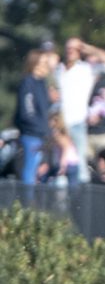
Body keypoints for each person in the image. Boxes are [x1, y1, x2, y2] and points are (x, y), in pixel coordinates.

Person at [54, 37, 105, 183]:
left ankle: (78, 200)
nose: (70, 51)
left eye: (74, 49)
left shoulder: (86, 69)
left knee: (80, 165)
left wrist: (89, 48)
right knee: (59, 165)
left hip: (76, 124)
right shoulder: (58, 69)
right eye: (68, 48)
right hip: (58, 125)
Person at [13, 48, 55, 186]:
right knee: (30, 172)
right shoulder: (28, 83)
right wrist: (40, 127)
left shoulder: (42, 84)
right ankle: (26, 205)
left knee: (42, 172)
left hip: (43, 135)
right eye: (43, 62)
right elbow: (27, 112)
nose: (46, 65)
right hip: (32, 134)